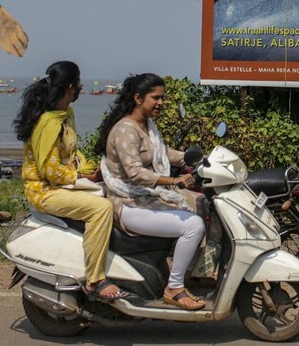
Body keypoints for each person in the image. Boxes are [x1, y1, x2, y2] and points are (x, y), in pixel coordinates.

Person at [13, 61, 129, 301]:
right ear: (69, 87)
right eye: (77, 83)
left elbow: (71, 154)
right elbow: (50, 171)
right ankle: (95, 280)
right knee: (101, 209)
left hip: (61, 183)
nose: (80, 87)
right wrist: (85, 177)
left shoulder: (66, 114)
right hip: (45, 191)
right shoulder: (49, 123)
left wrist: (96, 168)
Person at [94, 73, 207, 311]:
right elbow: (135, 173)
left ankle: (191, 273)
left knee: (202, 204)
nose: (161, 103)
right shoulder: (126, 130)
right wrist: (173, 180)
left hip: (146, 199)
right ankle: (174, 287)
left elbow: (162, 154)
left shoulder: (147, 126)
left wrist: (199, 159)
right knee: (193, 225)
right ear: (138, 98)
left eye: (162, 97)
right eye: (155, 98)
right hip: (129, 203)